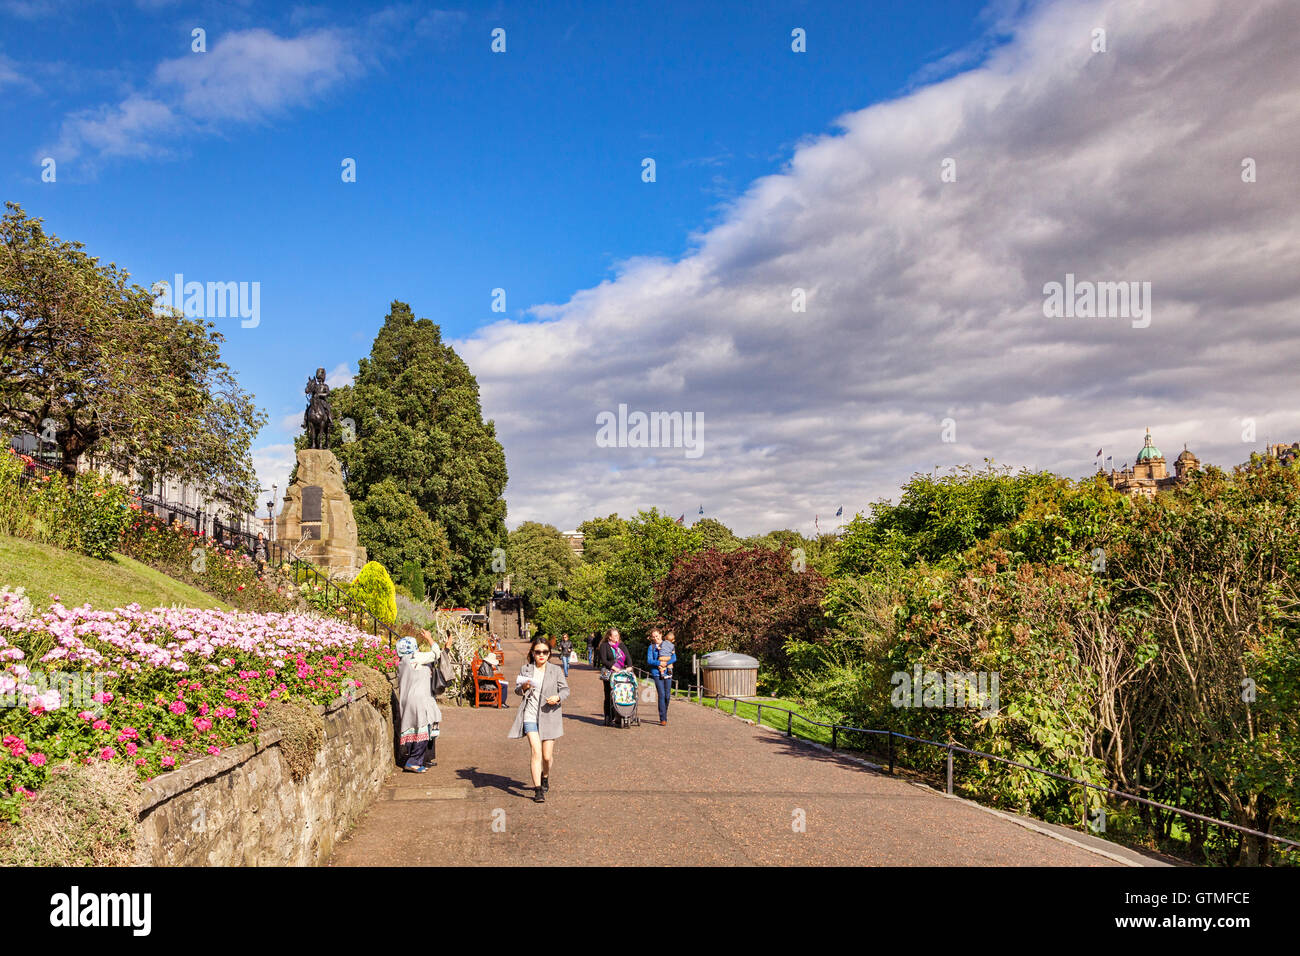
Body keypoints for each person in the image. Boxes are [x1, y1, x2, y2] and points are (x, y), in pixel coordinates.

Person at [508, 638, 569, 803]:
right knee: (536, 752)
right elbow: (517, 690)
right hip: (530, 715)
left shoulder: (555, 670)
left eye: (545, 652)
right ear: (533, 653)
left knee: (547, 756)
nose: (541, 655)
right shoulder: (526, 669)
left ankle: (545, 776)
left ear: (549, 654)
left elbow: (565, 690)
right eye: (538, 652)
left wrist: (557, 697)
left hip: (549, 716)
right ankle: (537, 790)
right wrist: (524, 688)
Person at [396, 636, 442, 772]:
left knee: (414, 730)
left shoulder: (402, 662)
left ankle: (417, 759)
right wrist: (430, 638)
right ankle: (413, 762)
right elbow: (436, 654)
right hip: (420, 700)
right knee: (423, 730)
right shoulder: (416, 657)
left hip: (407, 700)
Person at [597, 628, 633, 726]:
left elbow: (628, 657)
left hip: (620, 673)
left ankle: (619, 715)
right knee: (609, 694)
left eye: (618, 635)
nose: (617, 637)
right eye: (615, 636)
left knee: (620, 694)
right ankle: (608, 716)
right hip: (609, 672)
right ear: (609, 637)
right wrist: (613, 667)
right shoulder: (604, 646)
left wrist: (629, 666)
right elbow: (604, 660)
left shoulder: (621, 645)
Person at [647, 629, 677, 725]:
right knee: (662, 694)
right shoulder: (651, 647)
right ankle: (663, 718)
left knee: (667, 696)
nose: (655, 638)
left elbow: (674, 658)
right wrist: (659, 663)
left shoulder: (668, 644)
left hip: (668, 672)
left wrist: (665, 663)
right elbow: (649, 660)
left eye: (657, 636)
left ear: (661, 634)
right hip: (656, 673)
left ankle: (664, 711)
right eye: (653, 637)